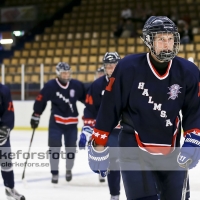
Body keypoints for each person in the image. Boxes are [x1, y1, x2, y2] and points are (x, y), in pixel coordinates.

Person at [87, 16, 200, 200]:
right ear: (149, 40)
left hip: (171, 150)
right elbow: (109, 108)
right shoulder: (128, 67)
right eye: (161, 39)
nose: (167, 44)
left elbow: (195, 110)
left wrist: (194, 138)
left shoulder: (188, 71)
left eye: (170, 39)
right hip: (133, 149)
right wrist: (98, 145)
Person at [30, 62, 86, 184]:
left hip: (72, 123)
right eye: (64, 73)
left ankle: (68, 169)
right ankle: (54, 172)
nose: (66, 75)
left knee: (70, 149)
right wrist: (36, 114)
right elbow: (41, 99)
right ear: (58, 73)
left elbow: (87, 98)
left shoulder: (76, 85)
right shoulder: (51, 86)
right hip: (56, 122)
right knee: (54, 148)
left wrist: (95, 110)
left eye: (68, 73)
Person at [79, 52, 121, 200]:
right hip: (108, 131)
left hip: (128, 129)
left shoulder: (129, 82)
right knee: (114, 162)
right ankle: (114, 195)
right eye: (108, 66)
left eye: (114, 66)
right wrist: (87, 129)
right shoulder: (97, 85)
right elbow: (90, 110)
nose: (111, 69)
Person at [0, 84, 25, 200]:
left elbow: (9, 110)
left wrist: (5, 129)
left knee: (6, 162)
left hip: (0, 133)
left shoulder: (3, 90)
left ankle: (10, 189)